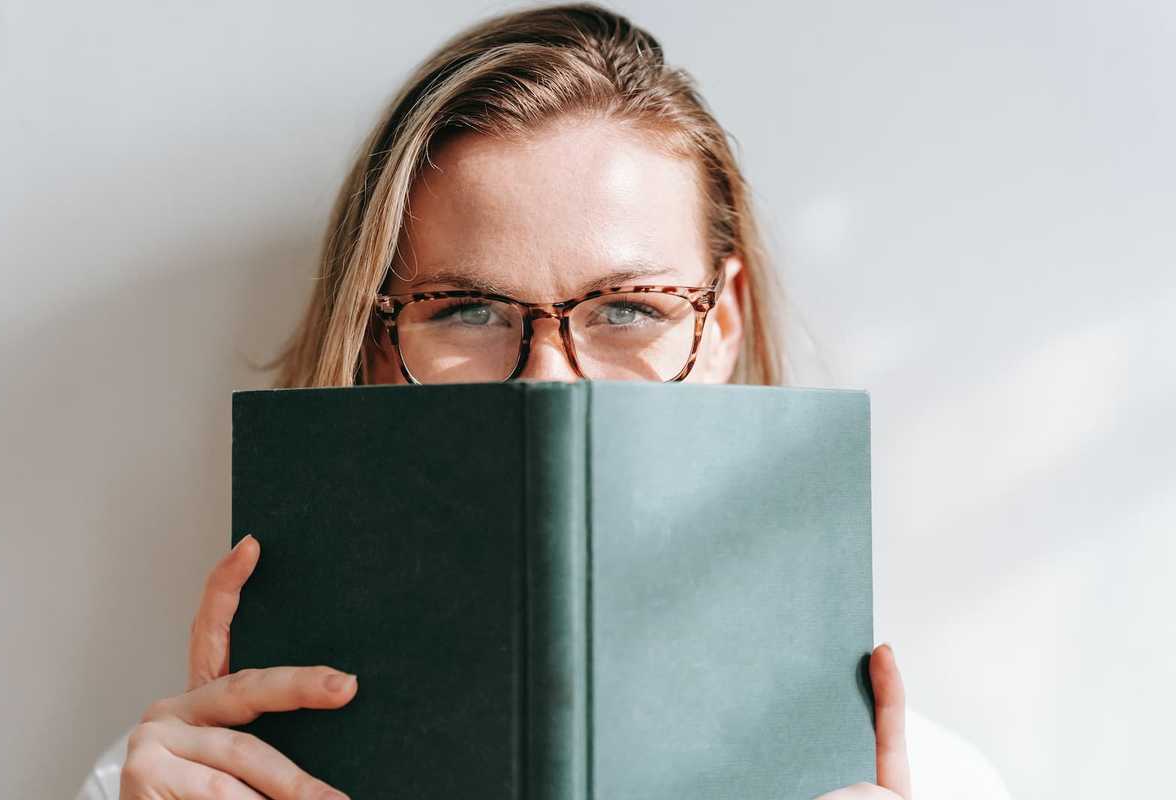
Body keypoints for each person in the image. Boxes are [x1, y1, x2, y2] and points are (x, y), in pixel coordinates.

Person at [74, 4, 1014, 798]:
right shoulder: (173, 783)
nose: (548, 382)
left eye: (628, 307)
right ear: (374, 337)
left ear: (721, 322)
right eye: (468, 309)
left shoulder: (924, 784)